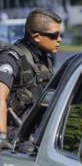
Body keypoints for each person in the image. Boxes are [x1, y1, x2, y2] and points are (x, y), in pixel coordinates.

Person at [0, 9, 62, 149]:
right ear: (36, 37)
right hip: (16, 141)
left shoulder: (45, 58)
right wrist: (1, 138)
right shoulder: (11, 58)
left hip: (39, 137)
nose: (59, 39)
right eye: (54, 35)